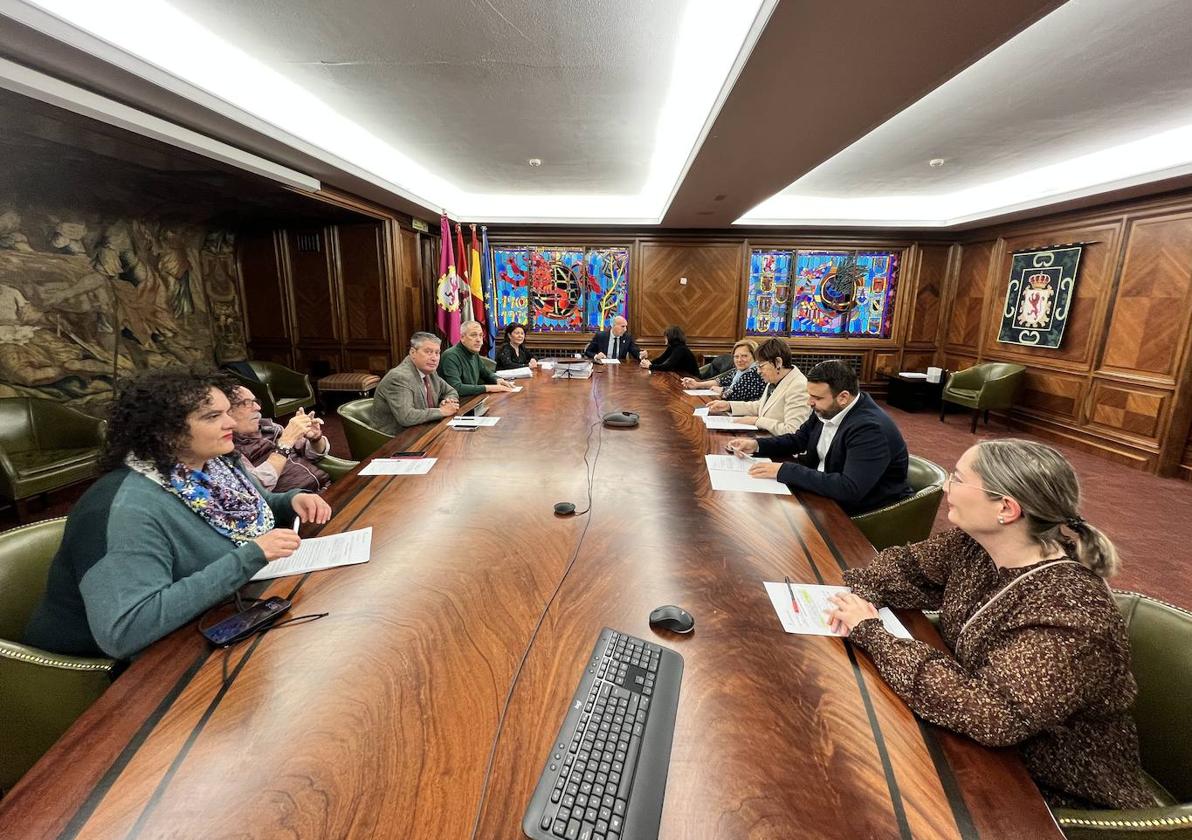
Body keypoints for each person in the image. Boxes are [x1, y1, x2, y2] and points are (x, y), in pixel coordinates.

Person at [825, 439, 1153, 811]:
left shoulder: (1072, 611)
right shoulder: (974, 544)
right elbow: (902, 569)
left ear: (1006, 509)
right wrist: (863, 593)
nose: (946, 487)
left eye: (958, 479)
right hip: (978, 750)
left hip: (1051, 791)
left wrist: (873, 633)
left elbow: (993, 715)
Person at [23, 369, 331, 660]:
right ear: (165, 431)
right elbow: (126, 630)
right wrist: (249, 557)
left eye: (227, 412)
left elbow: (259, 505)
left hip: (208, 620)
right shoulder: (126, 509)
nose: (232, 424)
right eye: (213, 417)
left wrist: (292, 500)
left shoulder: (215, 463)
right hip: (123, 676)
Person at [726, 359, 911, 514]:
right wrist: (756, 445)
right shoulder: (827, 409)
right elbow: (798, 440)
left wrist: (785, 470)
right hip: (823, 493)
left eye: (817, 397)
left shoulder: (870, 429)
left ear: (843, 397)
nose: (809, 402)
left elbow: (849, 489)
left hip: (861, 512)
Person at [228, 386, 331, 493]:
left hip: (326, 485)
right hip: (299, 502)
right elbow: (253, 488)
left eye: (255, 401)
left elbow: (313, 455)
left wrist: (315, 438)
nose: (258, 407)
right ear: (226, 411)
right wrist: (285, 443)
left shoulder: (268, 427)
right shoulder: (230, 449)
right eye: (247, 403)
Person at [708, 338, 809, 435]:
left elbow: (793, 431)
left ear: (778, 362)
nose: (758, 371)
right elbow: (761, 406)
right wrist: (729, 405)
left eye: (761, 366)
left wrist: (757, 421)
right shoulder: (775, 378)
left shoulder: (798, 386)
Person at [371, 332, 460, 435]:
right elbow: (406, 417)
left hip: (423, 430)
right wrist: (442, 411)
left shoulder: (430, 372)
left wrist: (448, 401)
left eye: (437, 352)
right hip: (396, 439)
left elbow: (451, 391)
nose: (434, 358)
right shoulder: (399, 377)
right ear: (413, 353)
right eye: (428, 352)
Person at [440, 320, 517, 397]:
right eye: (473, 335)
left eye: (481, 335)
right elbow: (456, 388)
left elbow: (487, 373)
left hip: (471, 399)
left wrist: (498, 380)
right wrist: (489, 388)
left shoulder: (473, 353)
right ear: (462, 337)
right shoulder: (450, 356)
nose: (479, 340)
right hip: (456, 403)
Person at [680, 339, 766, 402]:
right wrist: (697, 384)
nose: (739, 360)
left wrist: (720, 390)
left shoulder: (755, 372)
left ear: (754, 356)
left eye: (744, 356)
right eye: (736, 356)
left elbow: (732, 394)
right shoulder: (739, 370)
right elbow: (720, 381)